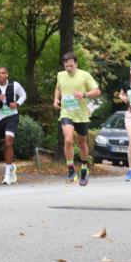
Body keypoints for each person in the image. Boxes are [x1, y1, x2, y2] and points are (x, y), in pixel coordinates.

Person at [53, 52, 100, 186]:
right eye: (66, 66)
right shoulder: (61, 75)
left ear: (76, 64)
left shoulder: (84, 75)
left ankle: (84, 168)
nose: (69, 68)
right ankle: (71, 169)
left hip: (81, 115)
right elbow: (58, 88)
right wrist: (56, 99)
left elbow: (97, 91)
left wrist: (84, 94)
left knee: (82, 144)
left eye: (71, 66)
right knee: (68, 139)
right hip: (66, 113)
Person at [0, 67, 27, 185]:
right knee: (6, 145)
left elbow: (23, 95)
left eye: (3, 73)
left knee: (8, 142)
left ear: (7, 75)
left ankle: (7, 175)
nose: (0, 75)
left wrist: (17, 104)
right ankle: (11, 167)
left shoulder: (15, 85)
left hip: (12, 116)